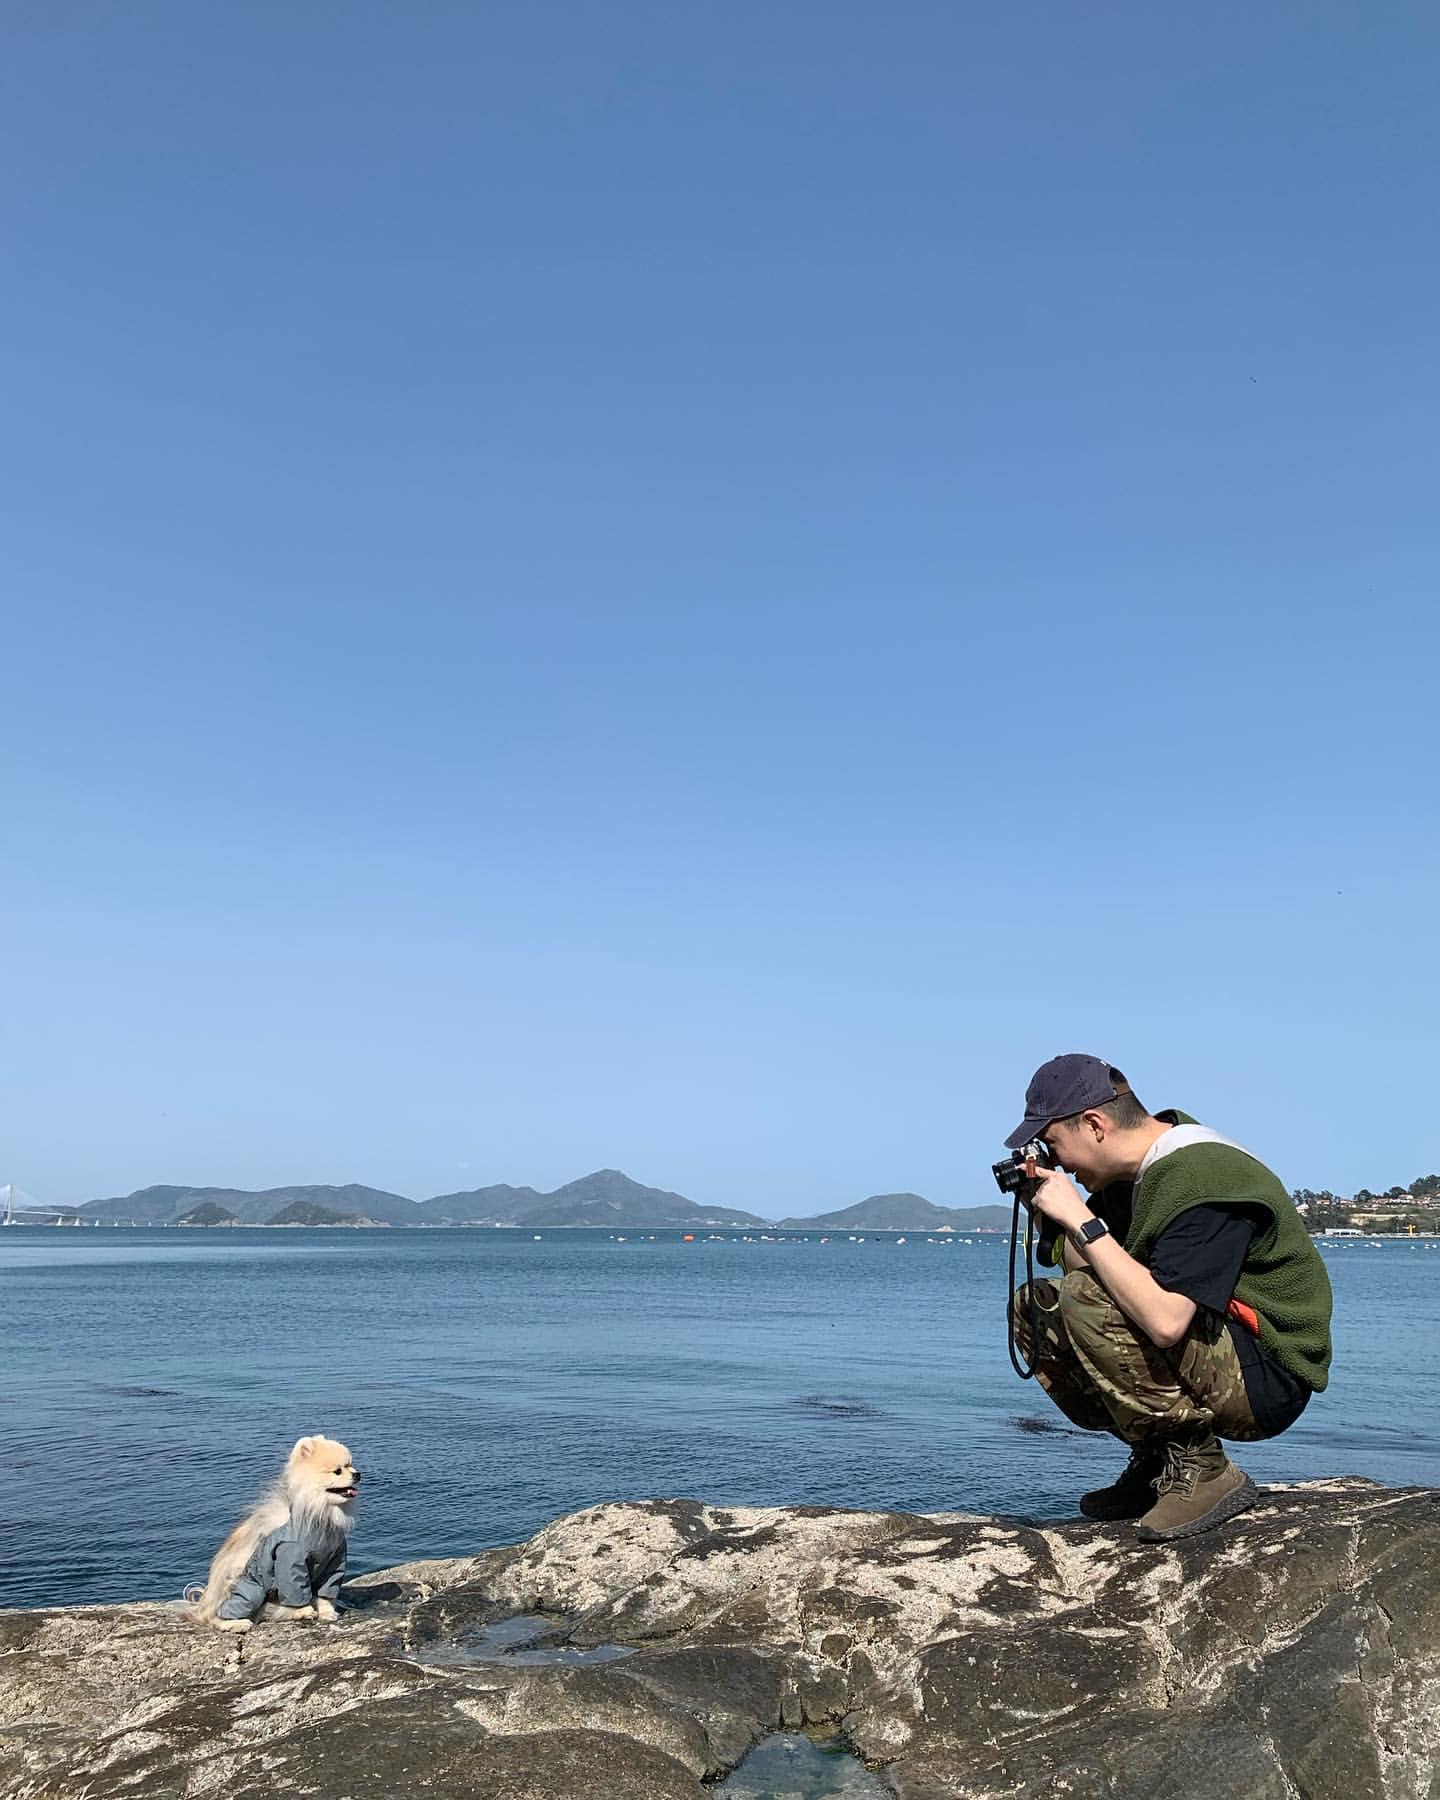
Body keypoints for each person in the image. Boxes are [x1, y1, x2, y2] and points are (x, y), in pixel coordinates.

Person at [1005, 1054, 1333, 1541]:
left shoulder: (1202, 1176)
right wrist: (1048, 1212)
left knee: (1084, 1299)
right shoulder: (1134, 1178)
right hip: (1219, 1348)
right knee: (1036, 1307)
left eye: (1053, 1143)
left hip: (1269, 1373)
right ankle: (1160, 1461)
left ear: (1094, 1124)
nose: (1061, 1163)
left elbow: (1166, 1320)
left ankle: (1204, 1470)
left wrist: (1079, 1218)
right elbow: (1092, 1262)